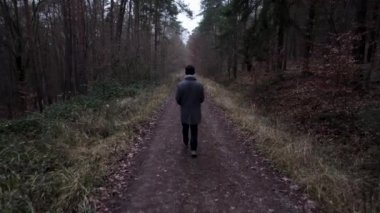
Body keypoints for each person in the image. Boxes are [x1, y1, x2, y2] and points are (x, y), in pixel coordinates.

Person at [175, 65, 205, 158]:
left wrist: (183, 104)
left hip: (185, 111)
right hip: (195, 111)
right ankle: (193, 150)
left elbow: (177, 99)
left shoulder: (180, 85)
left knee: (185, 128)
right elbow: (202, 99)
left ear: (185, 72)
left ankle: (185, 141)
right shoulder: (200, 85)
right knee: (194, 130)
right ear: (194, 72)